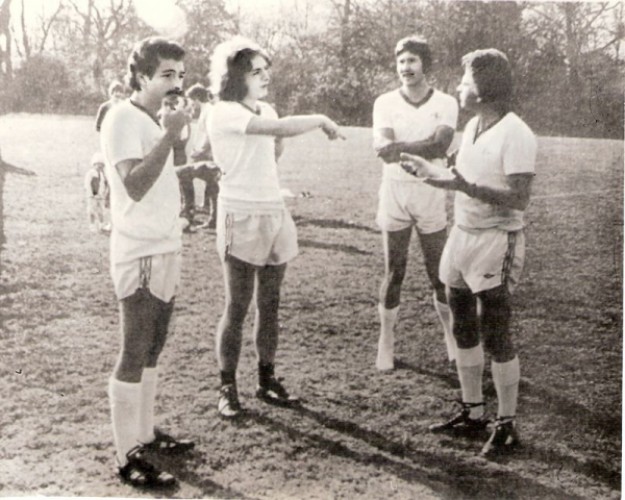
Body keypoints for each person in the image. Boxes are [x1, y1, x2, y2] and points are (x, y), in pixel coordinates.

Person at [400, 48, 537, 457]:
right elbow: (461, 177)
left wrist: (464, 186)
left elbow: (519, 197)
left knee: (495, 331)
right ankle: (473, 411)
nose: (459, 88)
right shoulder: (474, 125)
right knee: (461, 322)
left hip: (496, 239)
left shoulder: (516, 133)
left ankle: (506, 423)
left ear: (482, 88)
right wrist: (430, 173)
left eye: (465, 81)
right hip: (462, 236)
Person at [207, 36, 343, 419]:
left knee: (270, 303)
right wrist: (320, 119)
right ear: (236, 76)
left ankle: (266, 379)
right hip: (240, 213)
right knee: (237, 306)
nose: (265, 77)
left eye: (266, 70)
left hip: (273, 211)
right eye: (256, 71)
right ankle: (227, 387)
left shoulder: (266, 107)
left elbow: (272, 148)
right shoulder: (223, 111)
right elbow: (278, 129)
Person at [100, 36, 195, 488]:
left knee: (154, 346)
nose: (177, 83)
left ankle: (144, 433)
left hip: (165, 244)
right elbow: (134, 185)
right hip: (138, 248)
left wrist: (189, 169)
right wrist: (172, 135)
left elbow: (154, 176)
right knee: (135, 349)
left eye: (181, 74)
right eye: (166, 75)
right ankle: (126, 455)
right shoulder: (121, 116)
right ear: (140, 77)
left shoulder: (152, 118)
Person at [372, 35, 459, 371]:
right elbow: (384, 151)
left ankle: (450, 336)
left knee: (439, 272)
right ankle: (386, 341)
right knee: (394, 271)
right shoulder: (384, 102)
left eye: (412, 60)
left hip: (430, 190)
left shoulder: (446, 102)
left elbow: (440, 145)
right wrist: (418, 147)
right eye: (401, 61)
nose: (406, 67)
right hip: (395, 191)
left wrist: (401, 148)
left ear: (426, 65)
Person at [84, 151, 110, 233]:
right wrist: (91, 194)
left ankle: (101, 224)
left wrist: (103, 193)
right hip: (92, 196)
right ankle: (92, 225)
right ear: (94, 164)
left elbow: (104, 184)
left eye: (102, 165)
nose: (100, 167)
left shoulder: (102, 174)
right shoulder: (91, 173)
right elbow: (87, 184)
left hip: (100, 196)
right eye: (98, 165)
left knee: (100, 211)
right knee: (91, 210)